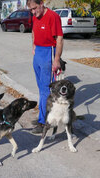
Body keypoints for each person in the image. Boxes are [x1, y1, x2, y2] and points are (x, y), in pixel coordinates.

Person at [27, 0, 64, 133]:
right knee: (41, 89)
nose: (33, 12)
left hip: (49, 53)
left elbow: (59, 38)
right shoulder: (35, 16)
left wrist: (57, 60)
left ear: (41, 3)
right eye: (30, 10)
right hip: (38, 54)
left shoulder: (53, 16)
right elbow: (33, 31)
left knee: (44, 90)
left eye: (35, 8)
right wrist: (34, 47)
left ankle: (43, 122)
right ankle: (46, 116)